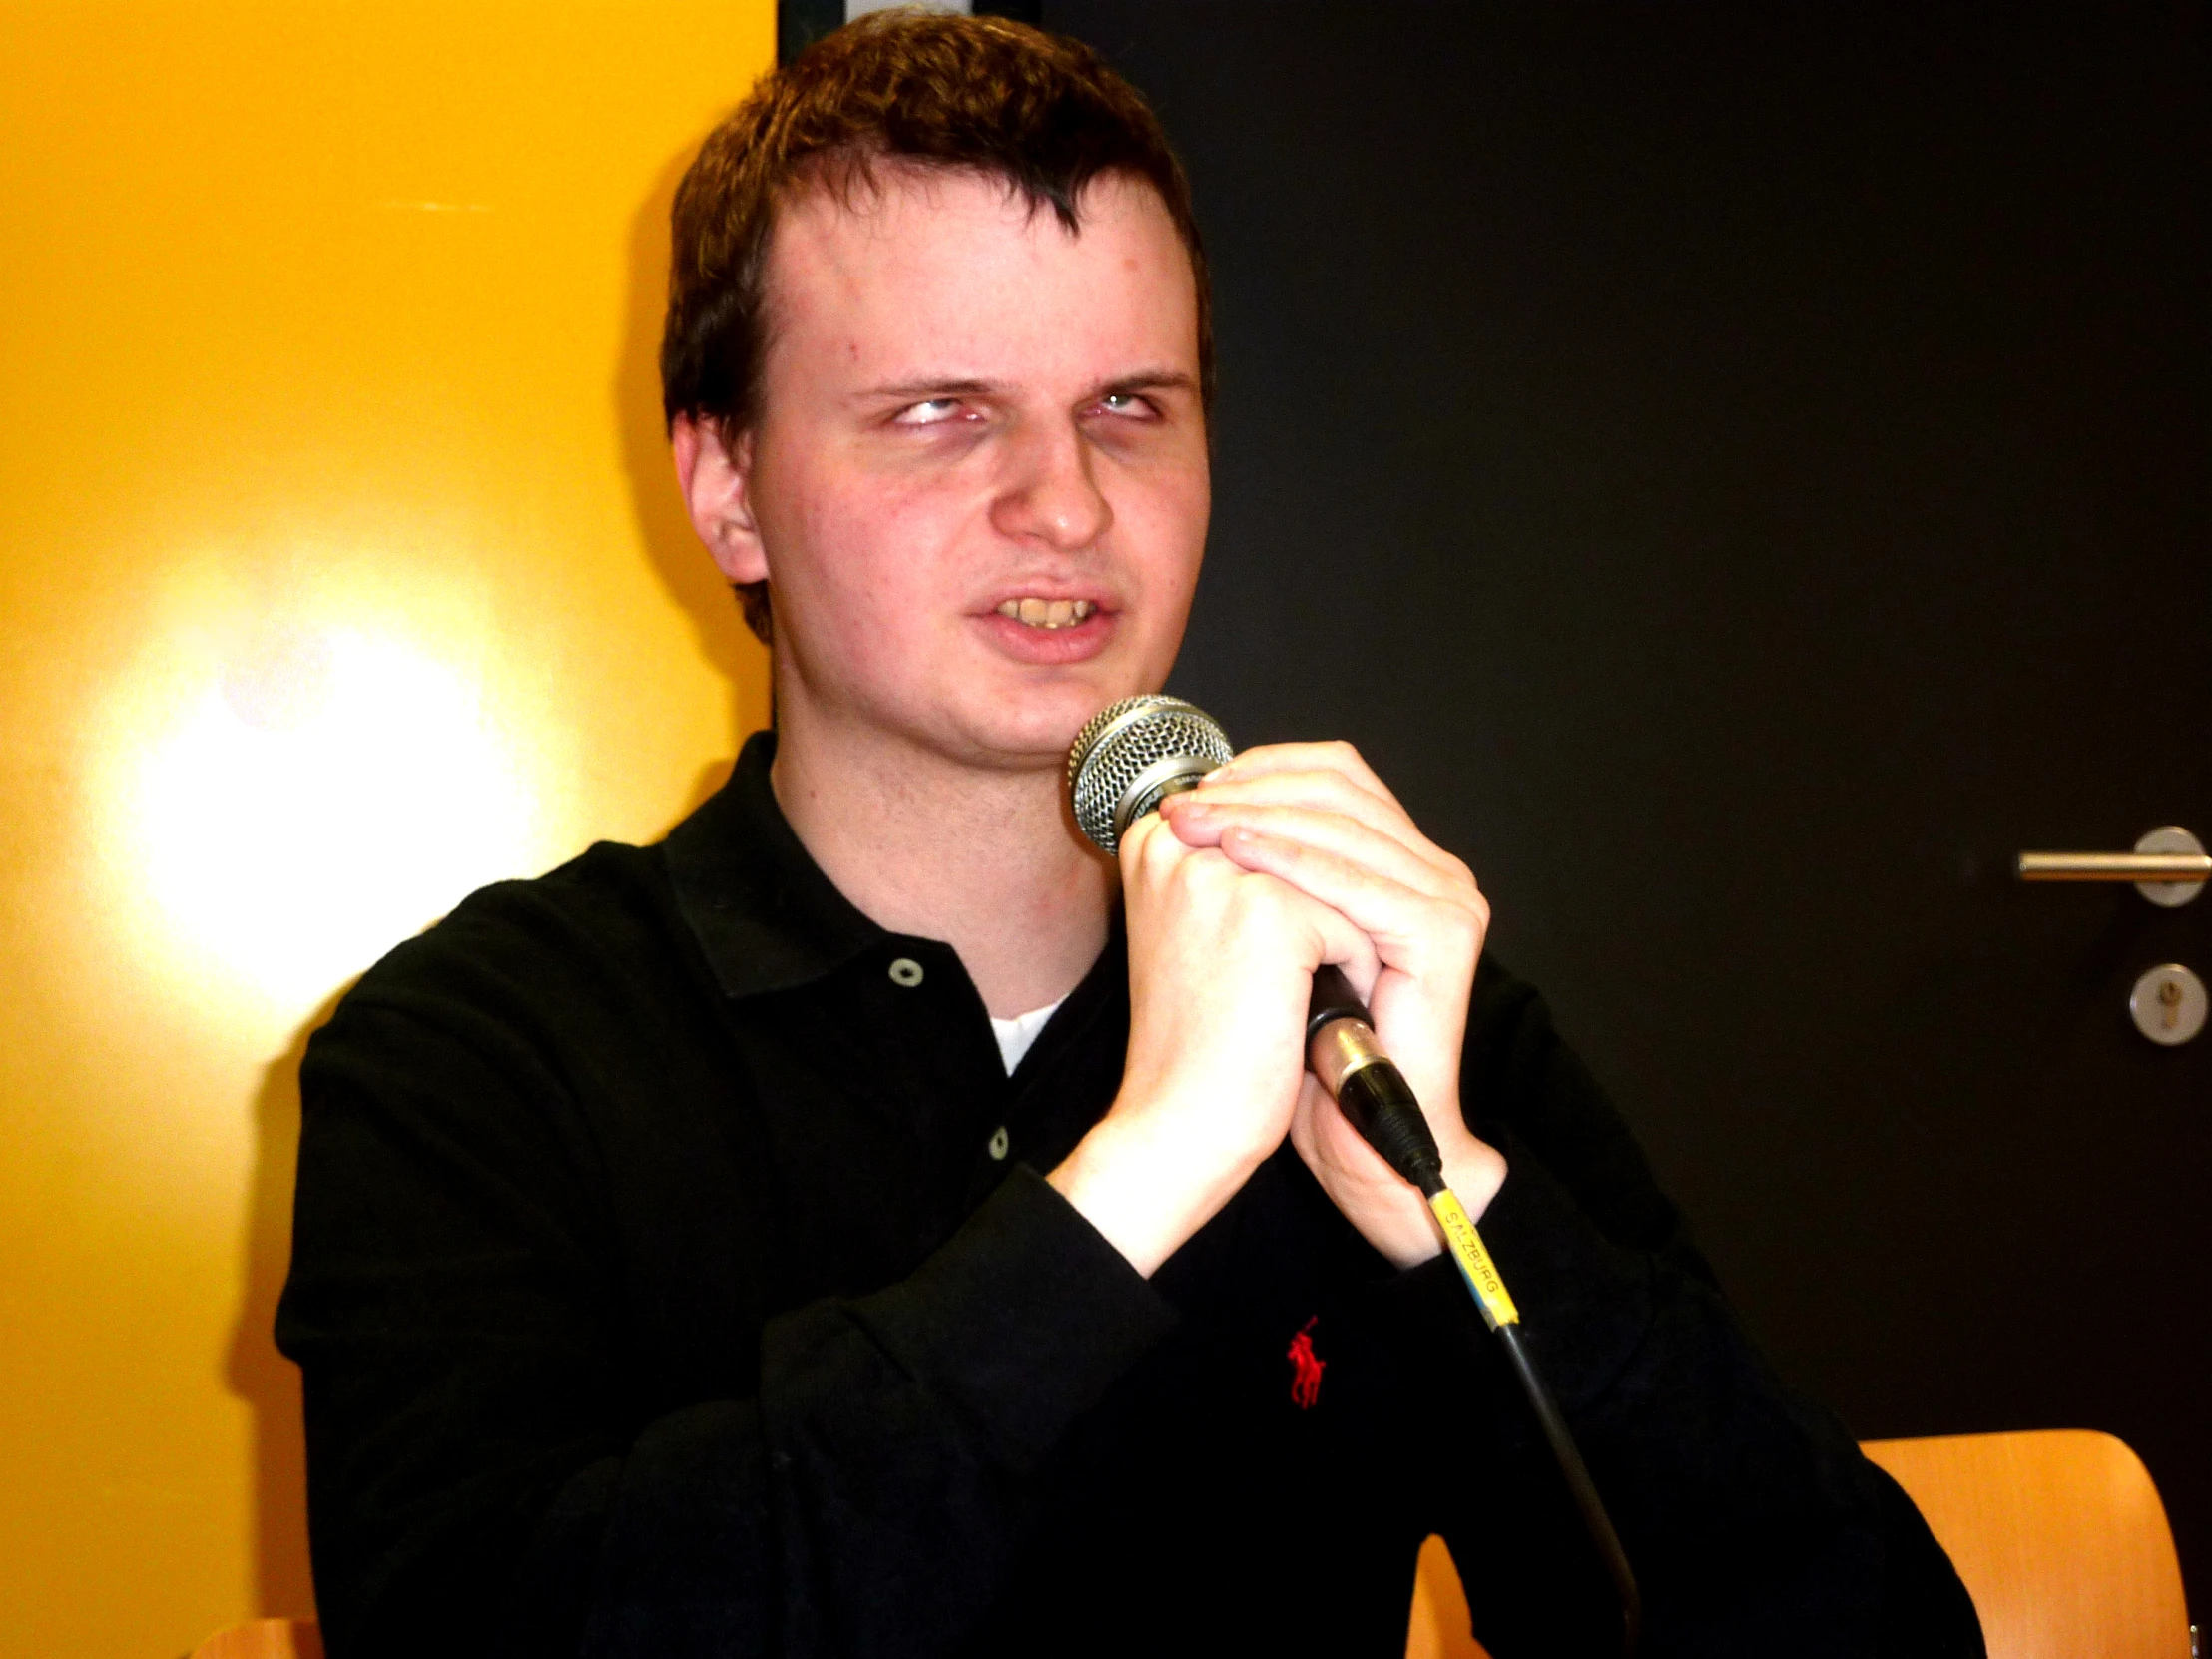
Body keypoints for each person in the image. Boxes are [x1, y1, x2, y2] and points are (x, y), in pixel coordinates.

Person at [276, 13, 1983, 1657]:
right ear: (726, 484)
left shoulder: (1376, 1028)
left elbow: (1865, 1631)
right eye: (941, 409)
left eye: (1130, 408)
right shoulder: (476, 1056)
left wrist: (1462, 1203)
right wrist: (1137, 1177)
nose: (1069, 502)